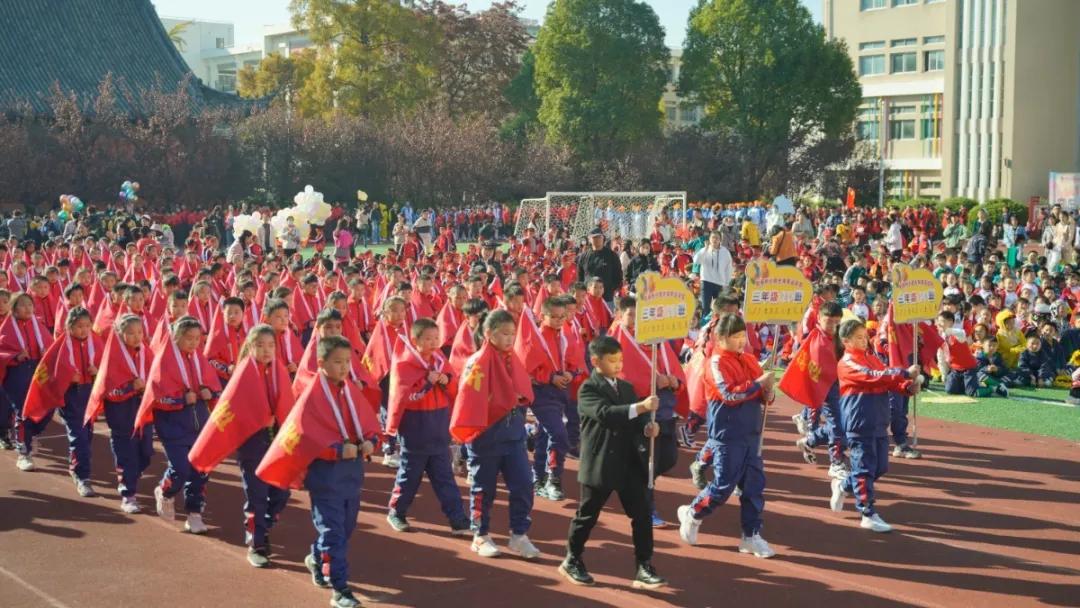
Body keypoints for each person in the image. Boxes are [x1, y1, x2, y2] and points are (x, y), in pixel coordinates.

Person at [255, 335, 380, 608]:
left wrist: (371, 440)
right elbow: (305, 436)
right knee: (333, 532)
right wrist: (335, 450)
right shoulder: (312, 395)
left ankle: (315, 557)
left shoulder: (349, 390)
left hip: (351, 475)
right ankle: (339, 588)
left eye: (348, 362)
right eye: (337, 362)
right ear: (321, 363)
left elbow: (368, 423)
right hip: (325, 477)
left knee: (345, 528)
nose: (344, 367)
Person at [559, 334, 666, 589]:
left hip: (629, 461)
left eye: (620, 360)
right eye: (612, 360)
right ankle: (572, 559)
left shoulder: (627, 388)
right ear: (596, 361)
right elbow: (606, 415)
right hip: (601, 462)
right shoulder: (588, 388)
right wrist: (640, 408)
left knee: (642, 514)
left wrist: (649, 426)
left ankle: (644, 565)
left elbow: (637, 421)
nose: (618, 365)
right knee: (587, 515)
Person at [188, 324, 294, 567]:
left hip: (276, 440)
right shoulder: (244, 374)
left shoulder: (278, 370)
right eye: (260, 345)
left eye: (270, 345)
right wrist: (260, 418)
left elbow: (288, 405)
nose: (266, 350)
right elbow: (235, 410)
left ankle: (264, 528)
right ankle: (255, 543)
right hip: (253, 443)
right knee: (257, 495)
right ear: (250, 347)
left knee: (281, 492)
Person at [677, 313, 776, 559]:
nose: (741, 341)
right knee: (723, 486)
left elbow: (765, 396)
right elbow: (729, 395)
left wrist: (768, 391)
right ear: (721, 338)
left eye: (743, 335)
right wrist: (757, 385)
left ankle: (751, 535)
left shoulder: (750, 359)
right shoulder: (716, 362)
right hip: (727, 435)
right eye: (736, 336)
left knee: (754, 487)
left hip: (751, 434)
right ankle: (693, 512)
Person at [449, 309, 540, 560]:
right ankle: (480, 535)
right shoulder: (477, 362)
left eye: (513, 333)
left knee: (523, 484)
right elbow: (470, 399)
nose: (510, 339)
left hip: (513, 435)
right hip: (487, 436)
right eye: (504, 333)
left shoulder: (513, 359)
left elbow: (524, 388)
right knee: (483, 489)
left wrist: (518, 398)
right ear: (489, 334)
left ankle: (519, 535)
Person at [830, 318, 921, 533]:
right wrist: (904, 373)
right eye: (858, 338)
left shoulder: (872, 358)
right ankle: (867, 512)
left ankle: (843, 485)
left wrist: (908, 387)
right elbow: (874, 377)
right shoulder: (847, 362)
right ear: (846, 341)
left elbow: (888, 379)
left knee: (879, 467)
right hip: (859, 421)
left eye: (865, 337)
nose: (864, 341)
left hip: (879, 421)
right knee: (864, 468)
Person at [135, 316, 222, 533]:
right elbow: (156, 397)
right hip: (173, 426)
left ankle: (194, 513)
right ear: (176, 337)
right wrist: (181, 400)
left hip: (199, 424)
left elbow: (212, 385)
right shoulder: (164, 360)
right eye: (189, 338)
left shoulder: (197, 358)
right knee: (181, 469)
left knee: (200, 471)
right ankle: (165, 491)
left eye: (197, 339)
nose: (193, 343)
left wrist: (209, 392)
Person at [384, 318, 469, 535]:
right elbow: (407, 397)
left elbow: (453, 384)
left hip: (438, 424)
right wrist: (428, 382)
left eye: (436, 338)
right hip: (415, 427)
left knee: (445, 477)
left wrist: (444, 380)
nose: (433, 343)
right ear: (415, 340)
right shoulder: (405, 363)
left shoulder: (439, 359)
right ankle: (397, 511)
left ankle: (457, 518)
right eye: (428, 339)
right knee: (409, 476)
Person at [22, 306, 103, 497]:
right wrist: (66, 378)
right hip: (71, 396)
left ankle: (75, 465)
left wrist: (97, 372)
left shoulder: (97, 342)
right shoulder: (60, 346)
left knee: (87, 435)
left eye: (86, 325)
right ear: (69, 327)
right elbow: (47, 372)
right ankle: (82, 477)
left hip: (89, 394)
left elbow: (107, 369)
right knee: (79, 437)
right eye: (79, 326)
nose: (83, 330)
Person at [85, 314, 153, 513]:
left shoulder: (146, 353)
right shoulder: (113, 356)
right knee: (126, 453)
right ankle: (128, 494)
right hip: (121, 411)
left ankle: (131, 476)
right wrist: (131, 387)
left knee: (146, 452)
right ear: (120, 334)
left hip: (142, 409)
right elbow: (109, 390)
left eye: (139, 332)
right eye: (130, 333)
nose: (136, 336)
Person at [0, 292, 52, 464]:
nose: (28, 308)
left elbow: (51, 345)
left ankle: (30, 433)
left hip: (38, 370)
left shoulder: (38, 325)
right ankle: (24, 452)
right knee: (23, 411)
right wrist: (15, 356)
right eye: (22, 305)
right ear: (14, 309)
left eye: (30, 304)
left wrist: (47, 353)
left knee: (48, 405)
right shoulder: (7, 327)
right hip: (17, 373)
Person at [576, 229, 623, 310]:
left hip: (606, 298)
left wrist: (613, 289)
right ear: (590, 239)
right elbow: (580, 276)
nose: (597, 239)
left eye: (599, 237)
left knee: (607, 321)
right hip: (588, 298)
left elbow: (618, 274)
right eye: (594, 237)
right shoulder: (584, 256)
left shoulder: (612, 256)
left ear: (603, 238)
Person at [692, 231, 733, 315]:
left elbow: (728, 269)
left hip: (720, 283)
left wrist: (726, 283)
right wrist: (705, 249)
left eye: (717, 238)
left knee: (719, 309)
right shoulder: (705, 250)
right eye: (712, 237)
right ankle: (705, 326)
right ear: (709, 239)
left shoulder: (725, 252)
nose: (714, 240)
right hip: (706, 282)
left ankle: (716, 325)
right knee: (705, 308)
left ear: (720, 240)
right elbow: (696, 260)